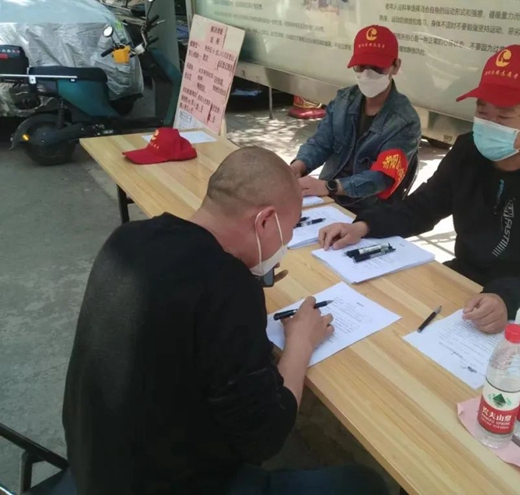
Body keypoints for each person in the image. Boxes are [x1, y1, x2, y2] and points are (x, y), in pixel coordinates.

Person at [62, 147, 388, 495]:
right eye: (290, 229)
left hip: (91, 465)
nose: (289, 241)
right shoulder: (228, 287)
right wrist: (300, 343)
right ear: (265, 222)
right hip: (164, 485)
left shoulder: (128, 238)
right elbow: (266, 437)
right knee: (363, 483)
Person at [319, 45, 520, 337]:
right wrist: (365, 226)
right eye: (482, 111)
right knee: (398, 324)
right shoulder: (469, 151)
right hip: (470, 277)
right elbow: (424, 205)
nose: (489, 125)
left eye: (504, 116)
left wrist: (509, 300)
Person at [291, 25, 421, 212]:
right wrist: (299, 166)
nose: (367, 74)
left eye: (377, 67)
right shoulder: (343, 101)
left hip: (369, 209)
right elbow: (321, 143)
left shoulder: (405, 122)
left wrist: (329, 187)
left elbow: (381, 177)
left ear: (396, 66)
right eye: (361, 66)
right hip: (326, 198)